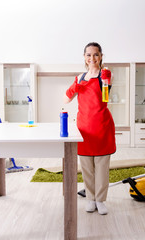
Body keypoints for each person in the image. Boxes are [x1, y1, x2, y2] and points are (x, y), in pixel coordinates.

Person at [64, 42, 116, 215]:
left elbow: (105, 98)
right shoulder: (79, 78)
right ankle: (91, 199)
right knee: (86, 167)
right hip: (84, 129)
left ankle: (100, 200)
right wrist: (75, 87)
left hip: (101, 126)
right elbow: (66, 99)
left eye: (95, 54)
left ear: (101, 56)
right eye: (88, 55)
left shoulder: (106, 74)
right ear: (84, 58)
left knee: (101, 167)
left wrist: (106, 81)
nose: (92, 58)